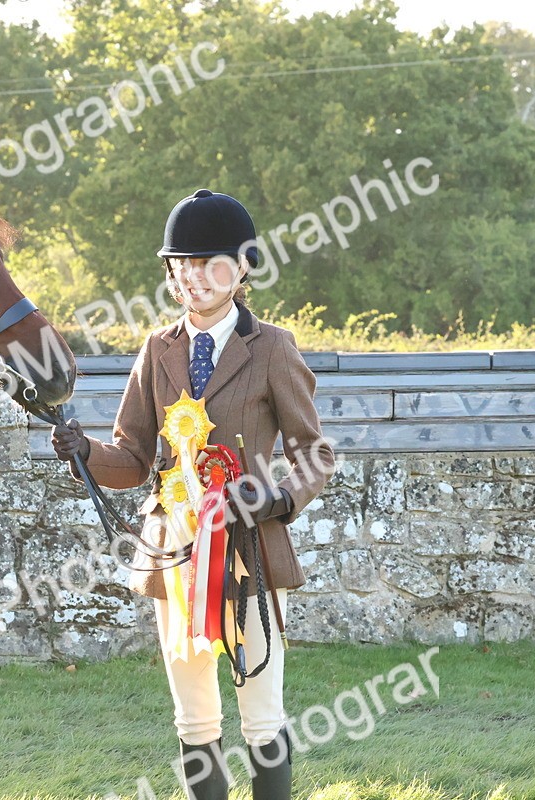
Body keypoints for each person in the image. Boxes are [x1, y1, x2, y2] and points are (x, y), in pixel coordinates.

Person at [52, 189, 335, 800]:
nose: (194, 279)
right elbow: (131, 457)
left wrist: (278, 499)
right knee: (195, 713)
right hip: (174, 550)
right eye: (182, 267)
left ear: (243, 268)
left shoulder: (274, 348)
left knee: (260, 707)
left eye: (210, 265)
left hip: (248, 544)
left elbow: (314, 453)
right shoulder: (158, 350)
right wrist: (84, 455)